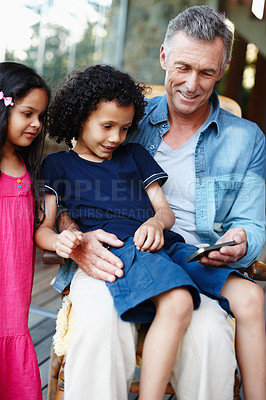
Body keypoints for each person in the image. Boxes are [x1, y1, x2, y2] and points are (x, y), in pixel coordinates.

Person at [46, 5, 266, 400]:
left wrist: (241, 240)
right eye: (182, 67)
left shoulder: (247, 139)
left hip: (190, 257)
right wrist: (74, 235)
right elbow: (75, 184)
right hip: (111, 251)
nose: (192, 84)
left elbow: (252, 223)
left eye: (207, 72)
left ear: (224, 68)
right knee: (99, 323)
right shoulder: (123, 115)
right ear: (164, 57)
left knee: (212, 335)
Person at [0, 62, 50, 399]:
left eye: (40, 116)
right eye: (27, 113)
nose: (36, 124)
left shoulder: (28, 170)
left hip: (14, 305)